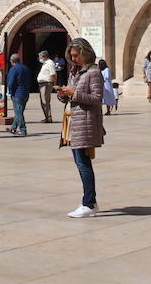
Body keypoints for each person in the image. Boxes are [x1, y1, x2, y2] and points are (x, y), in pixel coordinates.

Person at [55, 38, 104, 218]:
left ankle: (88, 203)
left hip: (86, 123)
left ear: (85, 53)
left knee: (83, 163)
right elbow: (70, 97)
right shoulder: (75, 72)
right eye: (71, 56)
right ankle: (91, 200)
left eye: (76, 55)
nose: (73, 59)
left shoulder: (94, 72)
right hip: (74, 122)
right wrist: (63, 94)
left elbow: (97, 99)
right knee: (80, 162)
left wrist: (73, 93)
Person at [6, 52, 32, 136]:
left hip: (17, 93)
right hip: (25, 93)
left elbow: (11, 82)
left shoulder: (13, 69)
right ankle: (13, 127)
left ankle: (22, 129)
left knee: (18, 112)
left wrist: (9, 91)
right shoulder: (26, 68)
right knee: (19, 111)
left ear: (11, 61)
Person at [36, 51, 56, 123]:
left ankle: (49, 117)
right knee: (43, 101)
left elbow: (53, 74)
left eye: (40, 57)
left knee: (45, 101)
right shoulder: (45, 63)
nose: (39, 58)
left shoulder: (50, 63)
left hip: (46, 84)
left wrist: (54, 84)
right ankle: (47, 116)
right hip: (42, 84)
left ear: (44, 56)